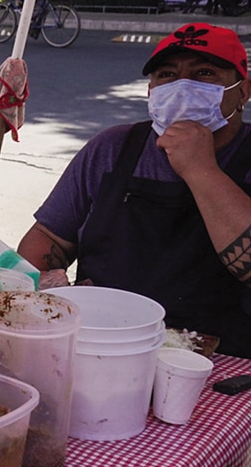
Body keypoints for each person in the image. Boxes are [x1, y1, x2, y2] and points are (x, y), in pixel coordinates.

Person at [17, 23, 251, 359]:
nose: (183, 87)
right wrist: (45, 288)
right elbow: (49, 236)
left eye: (205, 73)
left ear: (243, 91)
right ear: (151, 91)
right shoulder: (112, 149)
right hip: (103, 347)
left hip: (221, 364)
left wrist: (201, 169)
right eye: (167, 75)